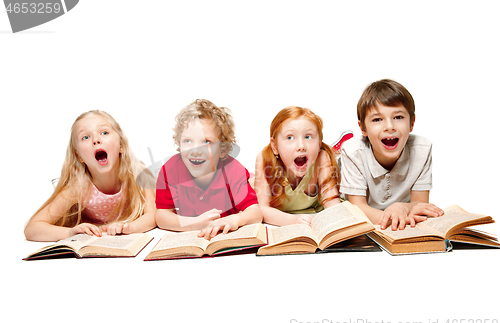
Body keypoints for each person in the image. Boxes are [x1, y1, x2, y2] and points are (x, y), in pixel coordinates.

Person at [24, 110, 157, 241]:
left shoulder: (138, 174)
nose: (96, 140)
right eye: (85, 137)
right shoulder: (77, 188)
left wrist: (129, 228)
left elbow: (152, 214)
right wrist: (70, 232)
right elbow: (32, 229)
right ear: (79, 156)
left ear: (121, 145)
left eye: (104, 132)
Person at [340, 79, 444, 231]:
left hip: (395, 217)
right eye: (377, 119)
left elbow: (420, 204)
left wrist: (400, 207)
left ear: (412, 123)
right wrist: (402, 217)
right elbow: (357, 207)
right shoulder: (353, 151)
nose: (389, 126)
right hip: (370, 220)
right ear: (363, 128)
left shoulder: (422, 149)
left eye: (398, 117)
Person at [155, 99, 262, 240]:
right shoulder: (170, 170)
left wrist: (236, 219)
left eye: (206, 142)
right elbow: (161, 216)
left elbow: (256, 213)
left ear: (222, 149)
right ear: (179, 143)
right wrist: (194, 223)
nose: (195, 150)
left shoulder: (233, 170)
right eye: (187, 141)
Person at [254, 106, 341, 226]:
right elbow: (262, 209)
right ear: (275, 146)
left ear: (319, 143)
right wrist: (293, 221)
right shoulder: (264, 159)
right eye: (290, 137)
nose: (301, 146)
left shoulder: (322, 158)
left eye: (308, 137)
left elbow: (332, 203)